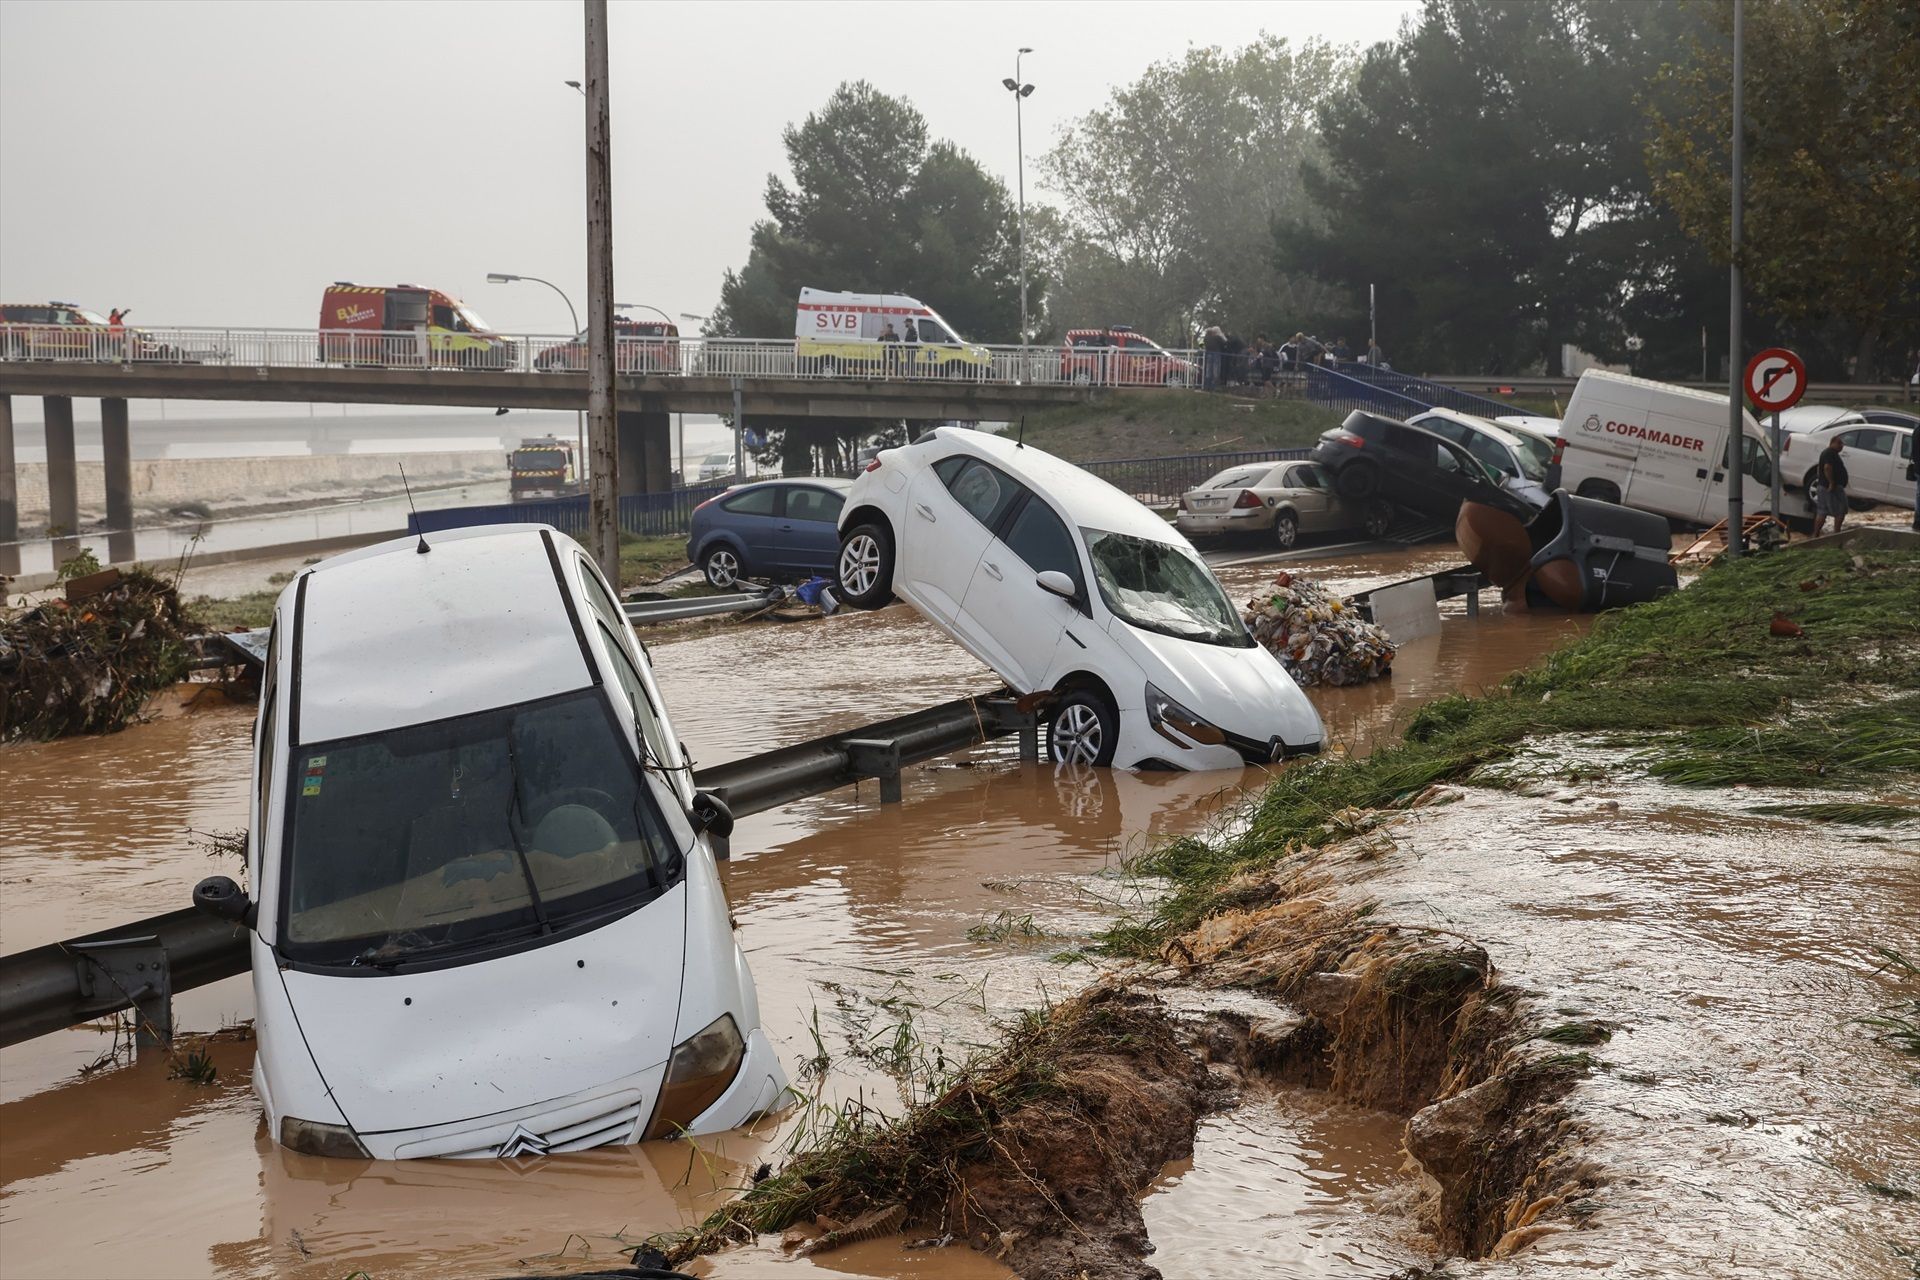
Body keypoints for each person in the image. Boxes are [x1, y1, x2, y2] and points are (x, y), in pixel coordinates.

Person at [1812, 436, 1850, 536]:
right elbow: (1827, 468)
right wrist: (1832, 483)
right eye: (1839, 443)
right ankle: (1836, 535)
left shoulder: (1827, 453)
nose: (1841, 446)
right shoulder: (1830, 453)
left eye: (1842, 444)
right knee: (1840, 511)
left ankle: (1815, 535)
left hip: (1823, 486)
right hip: (1831, 488)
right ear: (1832, 442)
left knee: (1822, 512)